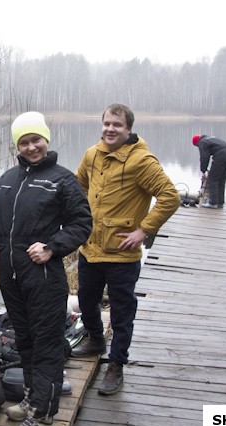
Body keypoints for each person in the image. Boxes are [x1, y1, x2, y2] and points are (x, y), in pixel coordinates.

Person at [0, 111, 92, 426]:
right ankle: (32, 399)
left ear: (46, 140)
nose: (32, 147)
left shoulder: (62, 179)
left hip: (44, 277)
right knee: (26, 342)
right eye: (25, 142)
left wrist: (52, 247)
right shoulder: (5, 179)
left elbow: (81, 223)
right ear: (17, 145)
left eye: (37, 140)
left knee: (46, 347)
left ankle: (45, 419)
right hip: (12, 276)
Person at [71, 103, 180, 396]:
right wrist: (78, 220)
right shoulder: (92, 155)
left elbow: (170, 196)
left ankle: (116, 365)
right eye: (107, 123)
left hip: (122, 254)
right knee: (85, 299)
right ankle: (95, 339)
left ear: (128, 129)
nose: (110, 129)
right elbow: (78, 186)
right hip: (90, 248)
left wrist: (143, 230)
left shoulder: (141, 161)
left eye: (117, 125)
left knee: (121, 313)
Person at [192, 134, 226, 208]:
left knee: (212, 179)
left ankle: (213, 202)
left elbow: (204, 157)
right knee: (221, 179)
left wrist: (203, 170)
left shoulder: (202, 143)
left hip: (221, 155)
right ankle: (220, 202)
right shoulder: (209, 139)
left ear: (197, 143)